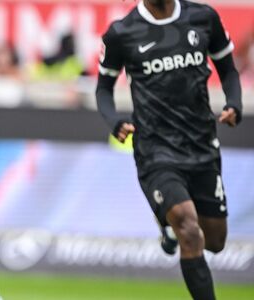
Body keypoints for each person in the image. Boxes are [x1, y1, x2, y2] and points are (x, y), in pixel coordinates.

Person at [96, 0, 242, 299]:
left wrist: (234, 103)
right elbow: (103, 89)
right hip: (155, 150)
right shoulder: (122, 33)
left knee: (214, 241)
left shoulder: (202, 17)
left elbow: (228, 69)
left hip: (201, 145)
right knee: (189, 228)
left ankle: (168, 227)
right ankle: (173, 224)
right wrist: (114, 121)